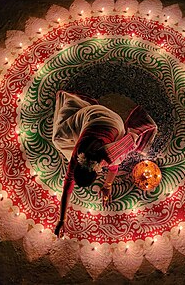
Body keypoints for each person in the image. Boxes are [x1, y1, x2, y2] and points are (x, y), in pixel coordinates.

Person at [52, 90, 157, 237]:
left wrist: (107, 185)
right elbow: (68, 185)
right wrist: (62, 220)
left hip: (112, 121)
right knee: (58, 137)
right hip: (93, 115)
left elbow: (113, 168)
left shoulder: (109, 155)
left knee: (59, 139)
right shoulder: (79, 153)